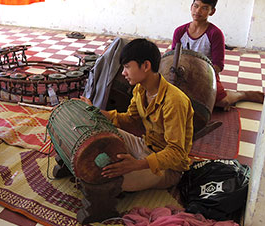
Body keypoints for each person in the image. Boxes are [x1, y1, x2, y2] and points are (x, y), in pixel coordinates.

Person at [81, 39, 194, 192]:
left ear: (146, 66)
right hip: (145, 146)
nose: (123, 73)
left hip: (168, 168)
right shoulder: (140, 90)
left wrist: (137, 165)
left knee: (116, 181)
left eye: (127, 67)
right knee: (99, 133)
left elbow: (177, 153)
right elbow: (130, 120)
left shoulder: (174, 101)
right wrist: (96, 111)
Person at [172, 0, 264, 110]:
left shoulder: (215, 33)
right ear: (191, 6)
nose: (198, 11)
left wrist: (199, 78)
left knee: (222, 102)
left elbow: (218, 66)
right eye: (196, 6)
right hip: (183, 73)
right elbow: (172, 57)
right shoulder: (180, 31)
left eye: (204, 8)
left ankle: (242, 94)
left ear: (212, 12)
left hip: (206, 75)